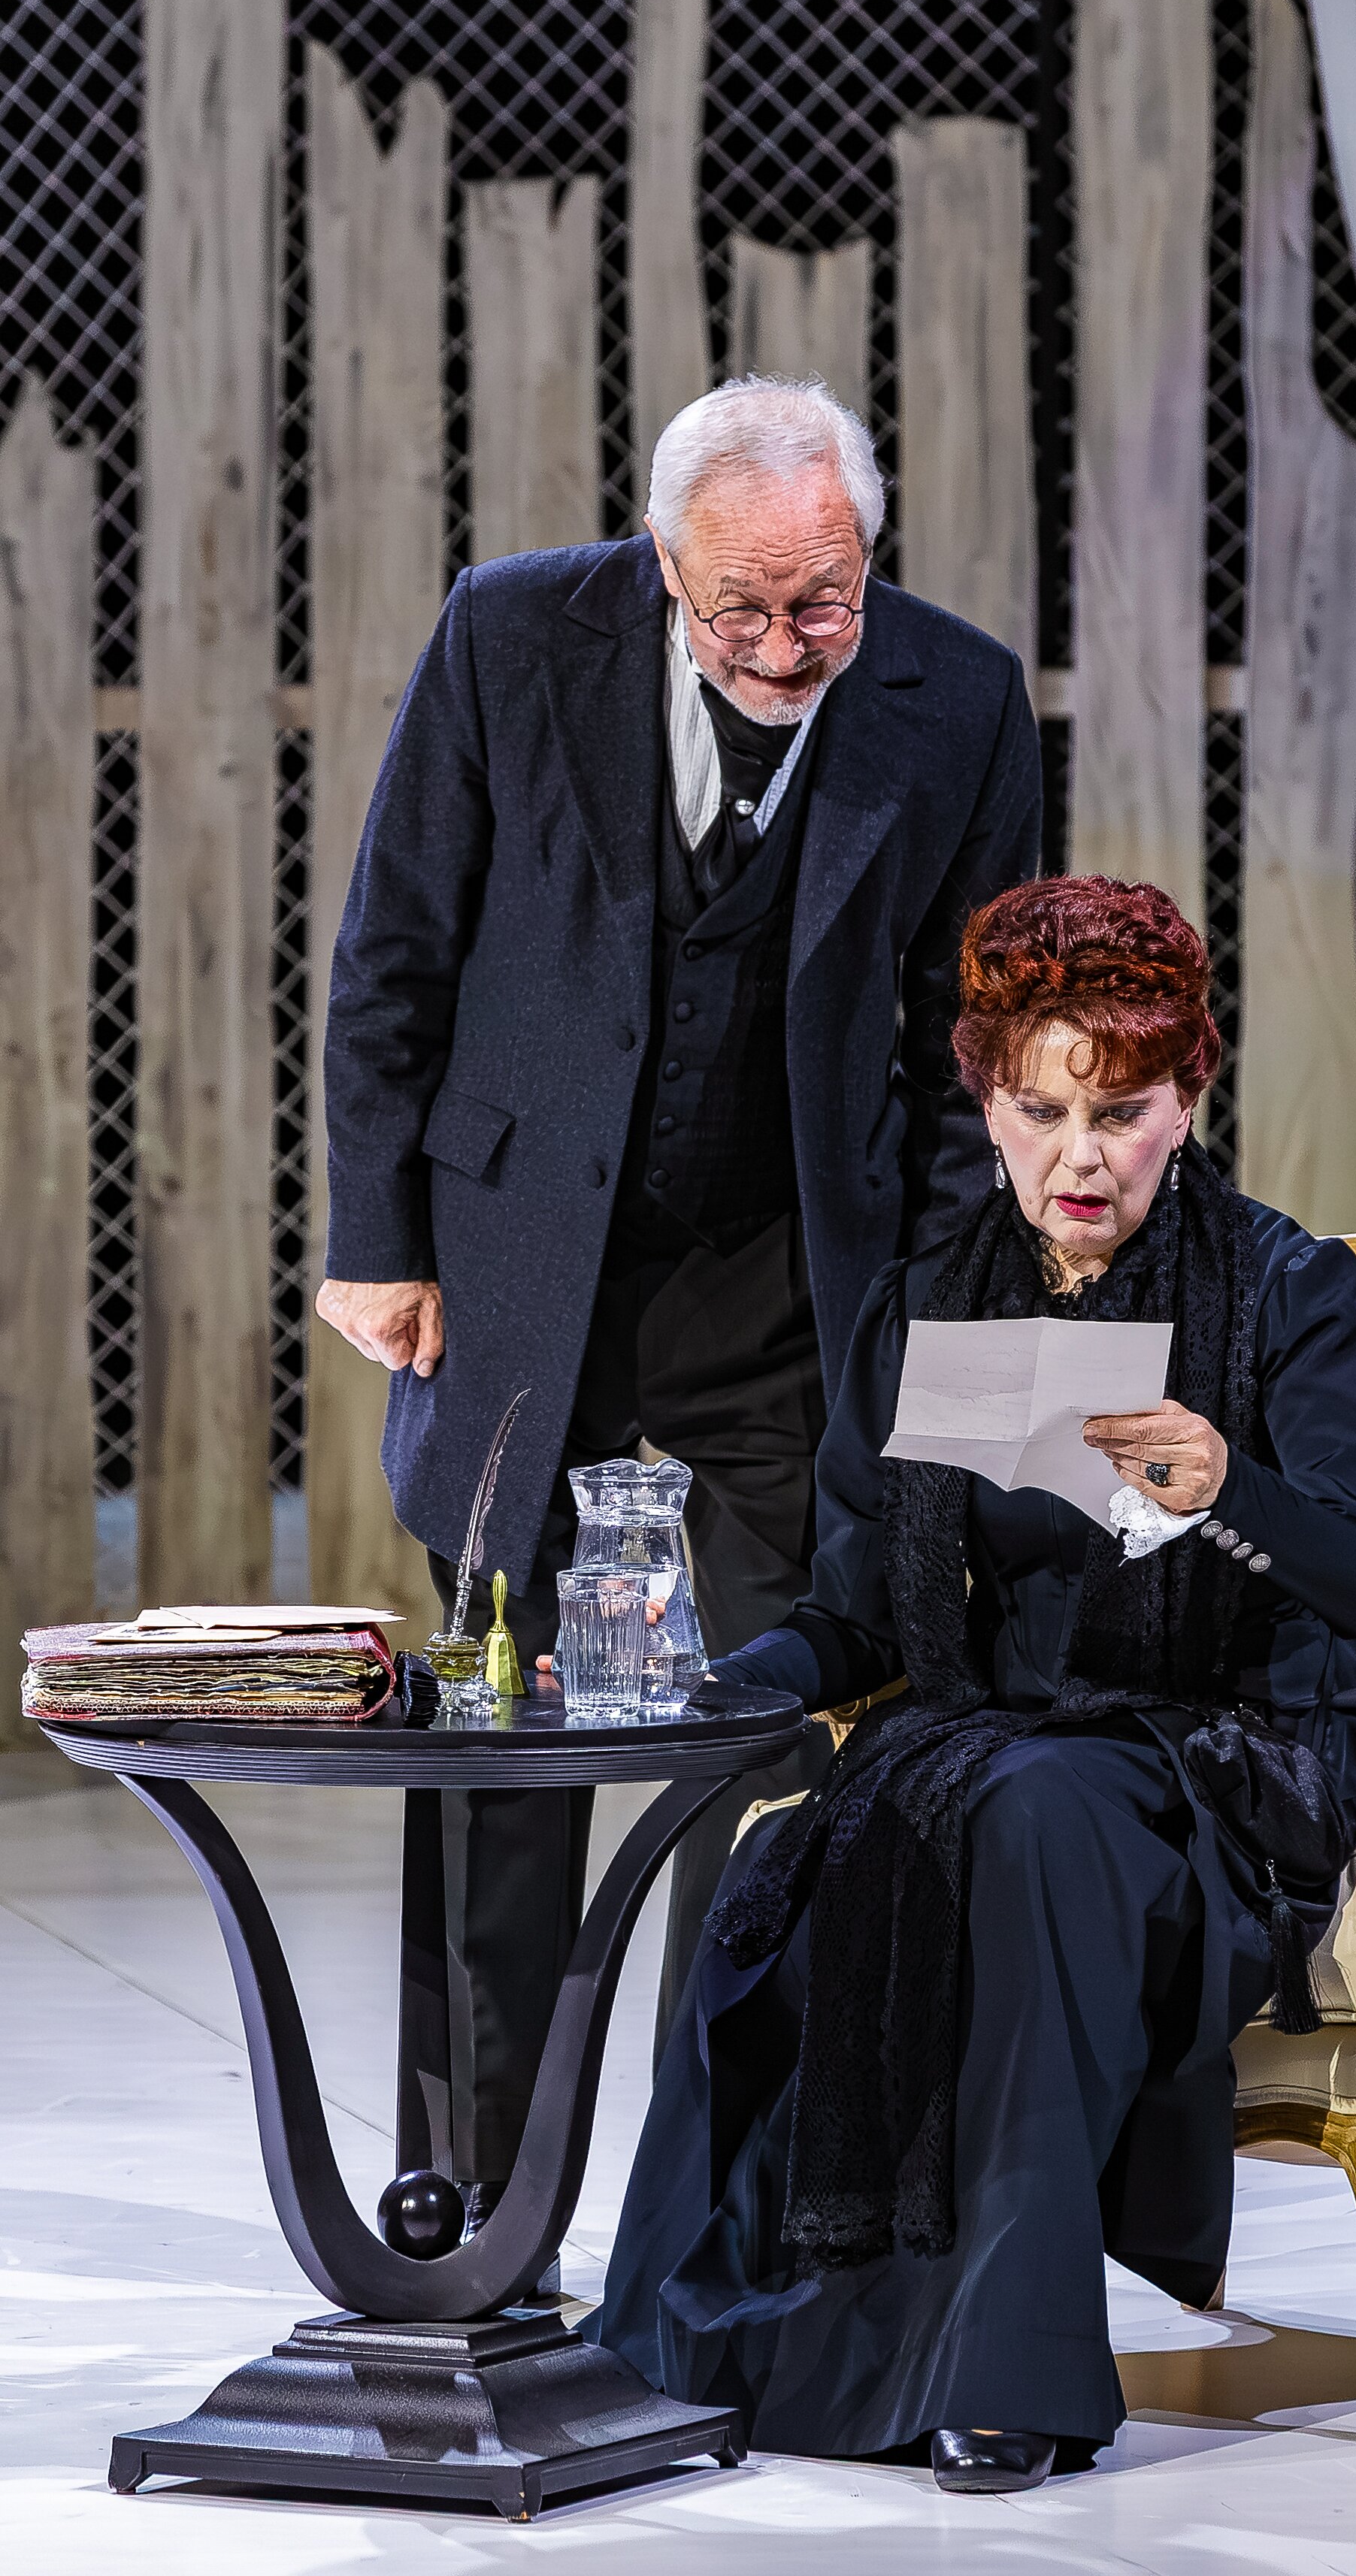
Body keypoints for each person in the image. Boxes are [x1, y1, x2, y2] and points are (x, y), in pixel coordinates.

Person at [592, 873, 1356, 2492]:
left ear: (1186, 1101)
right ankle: (712, 2342)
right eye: (1044, 1112)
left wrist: (1230, 1485)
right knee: (793, 1859)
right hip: (999, 1739)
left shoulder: (1283, 1289)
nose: (1081, 1157)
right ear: (987, 1105)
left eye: (1120, 1113)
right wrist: (729, 1686)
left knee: (1034, 1813)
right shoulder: (931, 1304)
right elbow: (858, 1607)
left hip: (1229, 1749)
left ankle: (1009, 2370)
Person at [316, 377, 1041, 2248]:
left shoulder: (957, 700)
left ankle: (721, 2213)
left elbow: (970, 1065)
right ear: (661, 566)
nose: (786, 649)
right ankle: (471, 2214)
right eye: (744, 611)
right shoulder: (508, 634)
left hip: (782, 1283)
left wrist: (937, 1352)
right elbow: (396, 945)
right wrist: (380, 1237)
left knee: (772, 1741)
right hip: (520, 1265)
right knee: (499, 1743)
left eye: (825, 603)